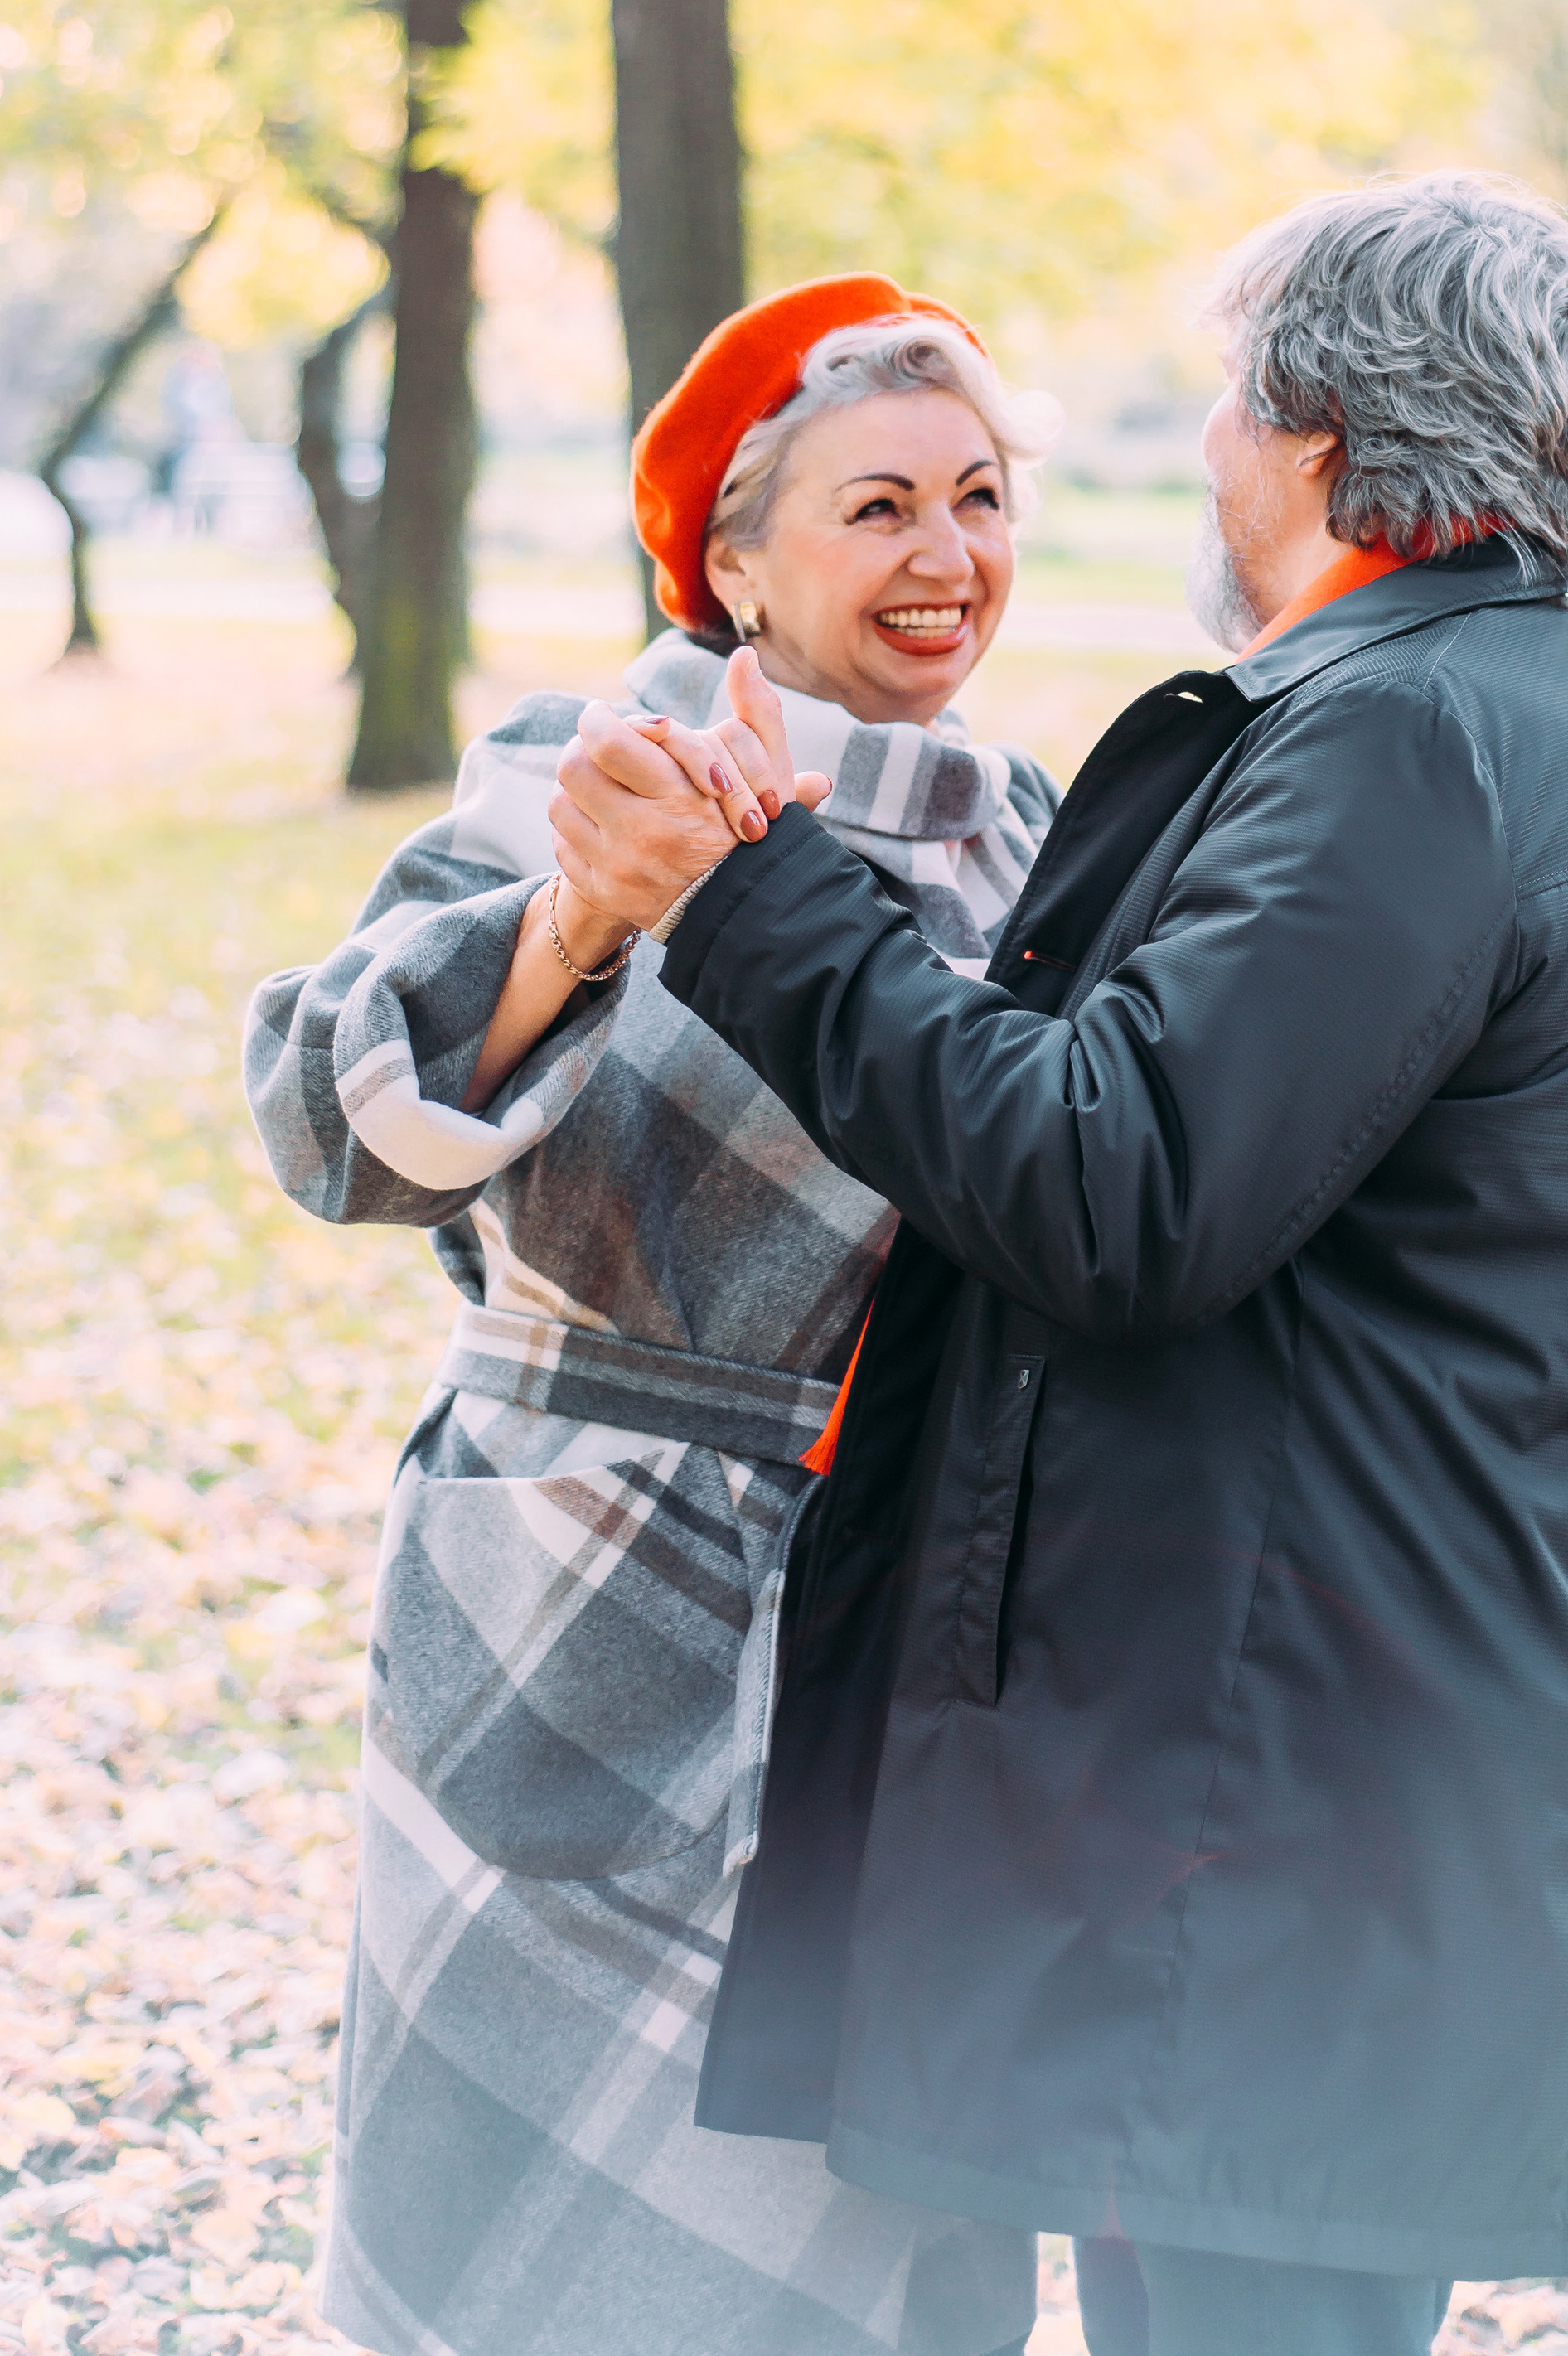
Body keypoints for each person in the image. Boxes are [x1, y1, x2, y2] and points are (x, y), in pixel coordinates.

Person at [554, 173, 1568, 2356]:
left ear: (1324, 438)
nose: (1202, 453)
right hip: (1308, 1766)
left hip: (1298, 1802)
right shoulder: (1441, 714)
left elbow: (1118, 1178)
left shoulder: (1407, 747)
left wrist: (764, 902)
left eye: (1225, 407)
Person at [243, 276, 1055, 2356]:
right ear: (734, 557)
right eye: (875, 509)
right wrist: (573, 921)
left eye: (976, 497)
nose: (944, 558)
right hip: (577, 1598)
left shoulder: (1038, 832)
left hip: (891, 1639)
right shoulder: (579, 770)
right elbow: (318, 1121)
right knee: (531, 2269)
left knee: (851, 2246)